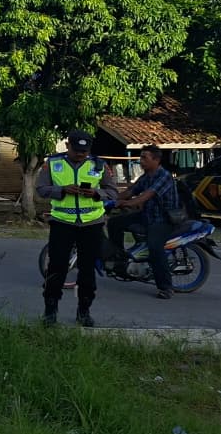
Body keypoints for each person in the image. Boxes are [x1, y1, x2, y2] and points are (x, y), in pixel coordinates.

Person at [36, 130, 118, 327]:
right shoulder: (53, 164)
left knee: (87, 270)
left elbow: (113, 192)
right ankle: (50, 310)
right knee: (56, 268)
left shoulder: (99, 165)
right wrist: (62, 190)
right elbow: (41, 189)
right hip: (62, 223)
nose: (80, 154)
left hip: (91, 224)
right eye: (76, 150)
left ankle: (84, 311)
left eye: (84, 151)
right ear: (67, 146)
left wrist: (96, 193)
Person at [107, 144, 179, 300]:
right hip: (146, 215)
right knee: (114, 223)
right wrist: (108, 199)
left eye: (144, 158)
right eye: (141, 157)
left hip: (163, 219)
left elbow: (146, 196)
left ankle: (166, 287)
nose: (141, 161)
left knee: (155, 247)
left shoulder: (164, 176)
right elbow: (130, 191)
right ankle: (119, 258)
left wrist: (125, 203)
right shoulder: (146, 176)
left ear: (156, 160)